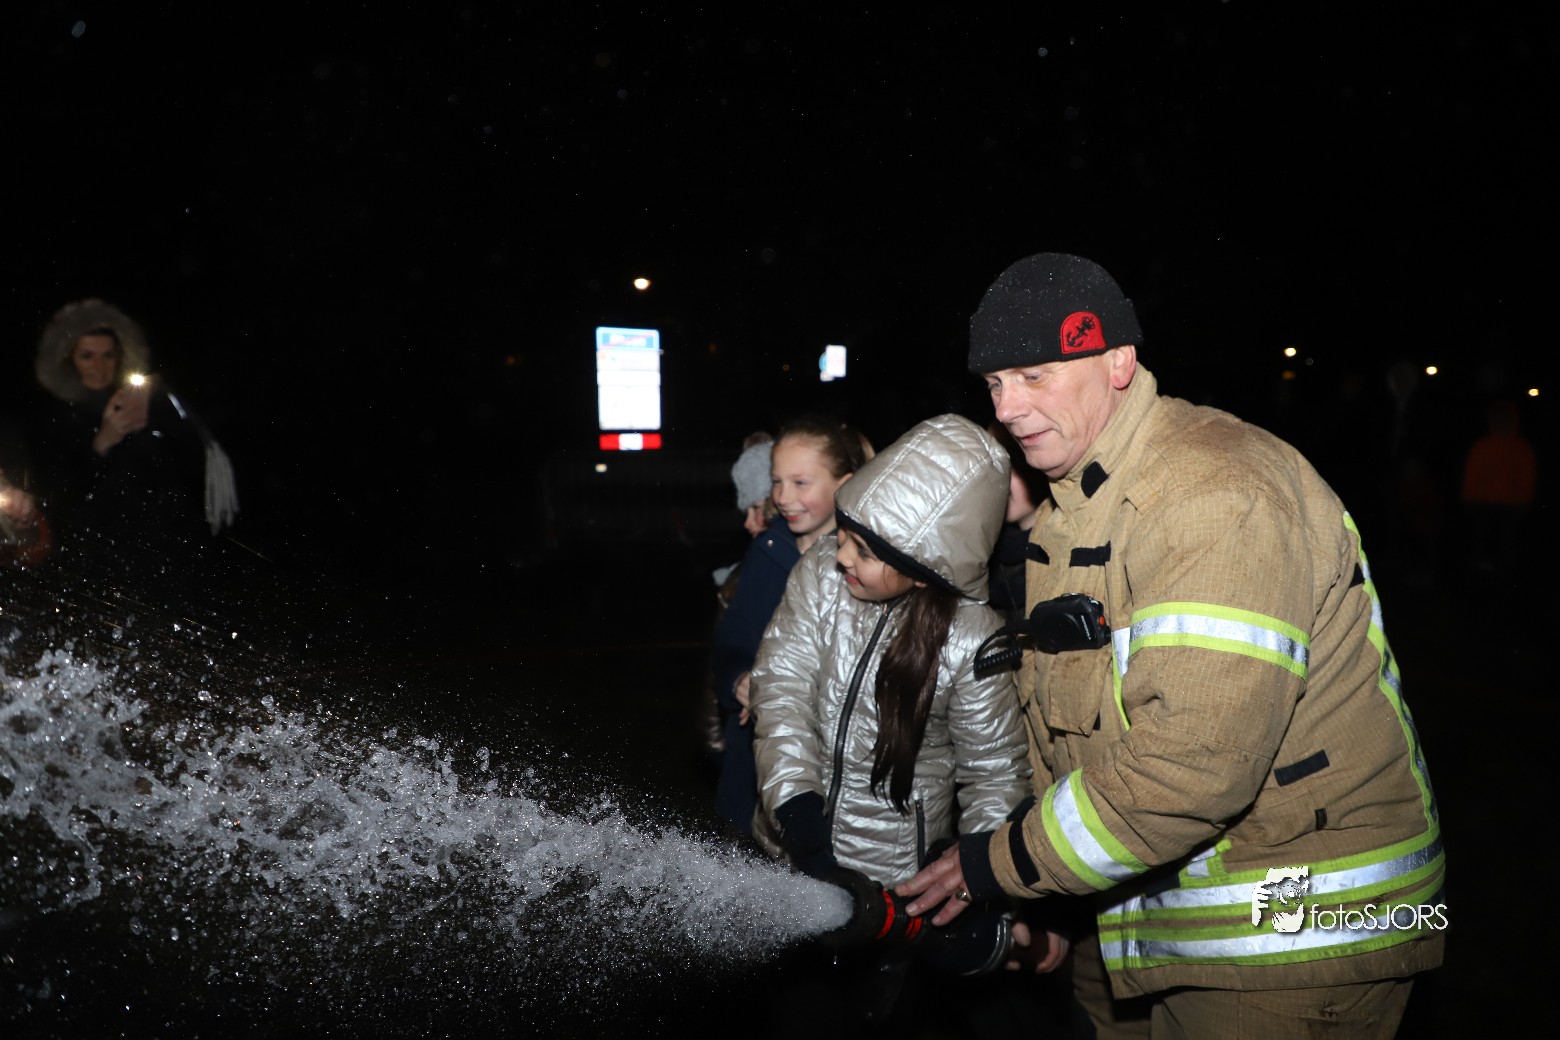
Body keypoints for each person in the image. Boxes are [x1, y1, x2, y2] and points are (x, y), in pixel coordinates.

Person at [898, 253, 1445, 1038]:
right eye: (994, 384)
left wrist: (1000, 863)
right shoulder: (1072, 509)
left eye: (1034, 376)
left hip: (1294, 938)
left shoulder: (1215, 495)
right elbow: (1071, 738)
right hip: (1150, 924)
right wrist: (1046, 900)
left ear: (1118, 362)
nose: (1008, 409)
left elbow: (1192, 768)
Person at [750, 414, 1068, 1025]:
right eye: (846, 532)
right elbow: (781, 689)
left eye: (865, 550)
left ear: (927, 565)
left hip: (895, 895)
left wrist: (971, 881)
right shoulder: (822, 573)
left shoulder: (972, 639)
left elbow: (994, 776)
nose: (840, 553)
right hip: (793, 851)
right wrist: (800, 823)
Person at [708, 415, 869, 839]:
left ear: (844, 484)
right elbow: (730, 644)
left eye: (800, 483)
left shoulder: (864, 565)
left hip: (831, 771)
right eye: (777, 482)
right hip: (751, 771)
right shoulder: (767, 550)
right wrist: (739, 679)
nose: (783, 497)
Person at [31, 298, 239, 575]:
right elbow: (56, 493)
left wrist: (162, 419)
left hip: (166, 546)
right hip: (99, 555)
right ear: (70, 358)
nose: (99, 366)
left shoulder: (144, 399)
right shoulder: (54, 414)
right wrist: (101, 443)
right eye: (87, 356)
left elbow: (191, 465)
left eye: (108, 354)